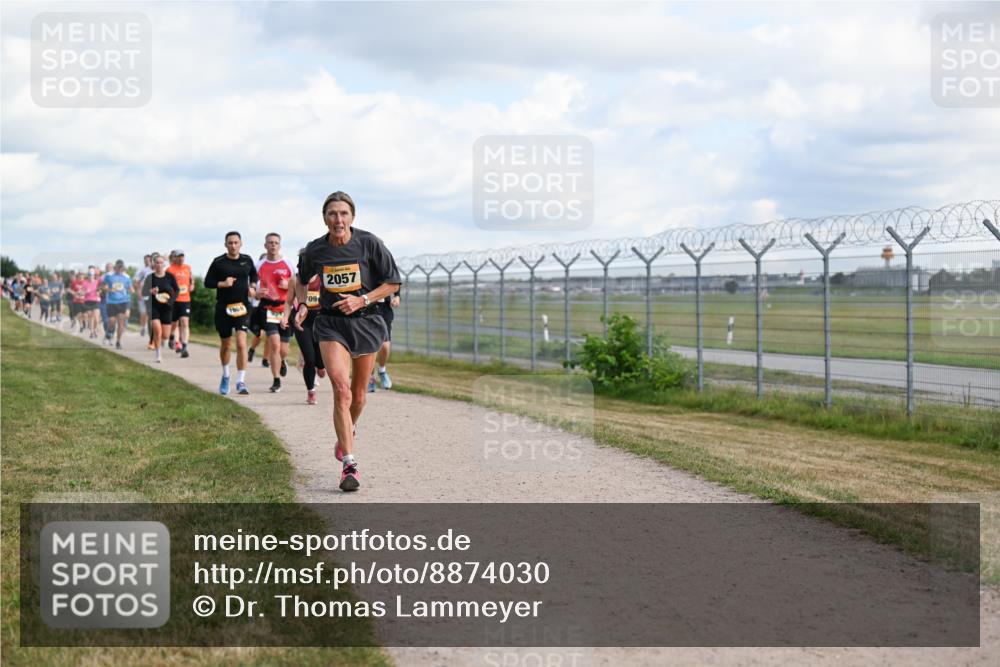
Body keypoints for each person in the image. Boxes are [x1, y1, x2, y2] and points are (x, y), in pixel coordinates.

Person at [295, 191, 400, 492]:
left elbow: (392, 282)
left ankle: (346, 433)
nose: (338, 219)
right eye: (332, 214)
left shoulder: (369, 244)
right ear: (324, 218)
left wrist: (362, 299)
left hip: (366, 321)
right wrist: (303, 305)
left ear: (352, 217)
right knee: (341, 391)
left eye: (343, 213)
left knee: (359, 396)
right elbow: (301, 280)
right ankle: (349, 464)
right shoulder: (315, 250)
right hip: (331, 325)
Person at [204, 231, 258, 396]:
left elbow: (254, 275)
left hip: (242, 307)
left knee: (241, 342)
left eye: (236, 242)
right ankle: (226, 374)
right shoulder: (218, 262)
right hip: (223, 308)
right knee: (226, 344)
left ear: (241, 244)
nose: (233, 245)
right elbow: (208, 282)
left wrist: (253, 287)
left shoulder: (247, 260)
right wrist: (223, 283)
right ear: (225, 244)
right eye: (230, 243)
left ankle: (240, 381)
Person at [253, 233, 295, 393]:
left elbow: (299, 284)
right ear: (265, 245)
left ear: (280, 245)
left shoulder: (289, 263)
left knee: (284, 349)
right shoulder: (259, 265)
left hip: (285, 309)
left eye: (276, 243)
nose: (273, 245)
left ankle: (282, 361)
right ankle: (276, 379)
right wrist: (256, 294)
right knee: (274, 344)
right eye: (270, 242)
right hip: (267, 308)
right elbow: (250, 287)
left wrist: (289, 285)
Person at [283, 252, 325, 405]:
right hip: (302, 322)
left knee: (320, 361)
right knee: (309, 358)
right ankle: (311, 391)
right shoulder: (295, 279)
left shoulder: (323, 277)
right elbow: (288, 302)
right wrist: (284, 317)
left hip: (321, 322)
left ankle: (321, 366)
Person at [142, 255, 178, 363]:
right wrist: (150, 291)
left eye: (161, 262)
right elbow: (143, 292)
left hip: (167, 307)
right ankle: (158, 354)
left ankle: (165, 341)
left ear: (164, 264)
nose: (159, 264)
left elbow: (177, 290)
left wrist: (171, 301)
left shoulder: (170, 277)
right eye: (157, 262)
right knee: (157, 331)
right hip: (154, 307)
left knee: (165, 335)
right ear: (153, 264)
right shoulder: (150, 277)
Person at [368, 287, 400, 392]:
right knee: (370, 346)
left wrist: (397, 296)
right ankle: (370, 378)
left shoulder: (384, 269)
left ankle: (382, 370)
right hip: (366, 307)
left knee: (385, 346)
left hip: (384, 308)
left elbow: (394, 279)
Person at [167, 250, 194, 358]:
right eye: (179, 256)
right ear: (175, 258)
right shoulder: (170, 269)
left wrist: (192, 286)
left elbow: (191, 280)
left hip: (185, 299)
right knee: (174, 324)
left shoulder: (188, 268)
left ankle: (184, 346)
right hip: (174, 300)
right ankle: (172, 337)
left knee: (184, 322)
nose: (181, 258)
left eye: (182, 256)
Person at [102, 259, 134, 349]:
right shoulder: (109, 276)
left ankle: (118, 341)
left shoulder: (126, 277)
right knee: (112, 321)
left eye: (121, 267)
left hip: (123, 301)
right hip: (111, 301)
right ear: (115, 267)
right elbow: (103, 286)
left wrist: (131, 290)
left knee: (121, 322)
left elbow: (130, 288)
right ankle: (109, 331)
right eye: (118, 267)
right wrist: (109, 289)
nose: (120, 269)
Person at [134, 254, 153, 337]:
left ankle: (149, 327)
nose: (147, 261)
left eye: (149, 260)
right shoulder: (141, 271)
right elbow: (136, 282)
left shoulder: (155, 269)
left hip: (152, 294)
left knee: (150, 313)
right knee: (143, 312)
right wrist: (138, 292)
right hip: (143, 293)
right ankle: (143, 327)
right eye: (146, 260)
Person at [81, 267, 101, 338]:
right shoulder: (85, 282)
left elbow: (100, 290)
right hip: (87, 301)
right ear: (88, 275)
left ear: (94, 275)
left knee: (96, 318)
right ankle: (92, 332)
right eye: (89, 275)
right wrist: (86, 292)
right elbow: (81, 292)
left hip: (95, 301)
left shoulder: (97, 282)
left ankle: (95, 330)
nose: (90, 276)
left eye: (92, 275)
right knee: (91, 316)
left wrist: (99, 292)